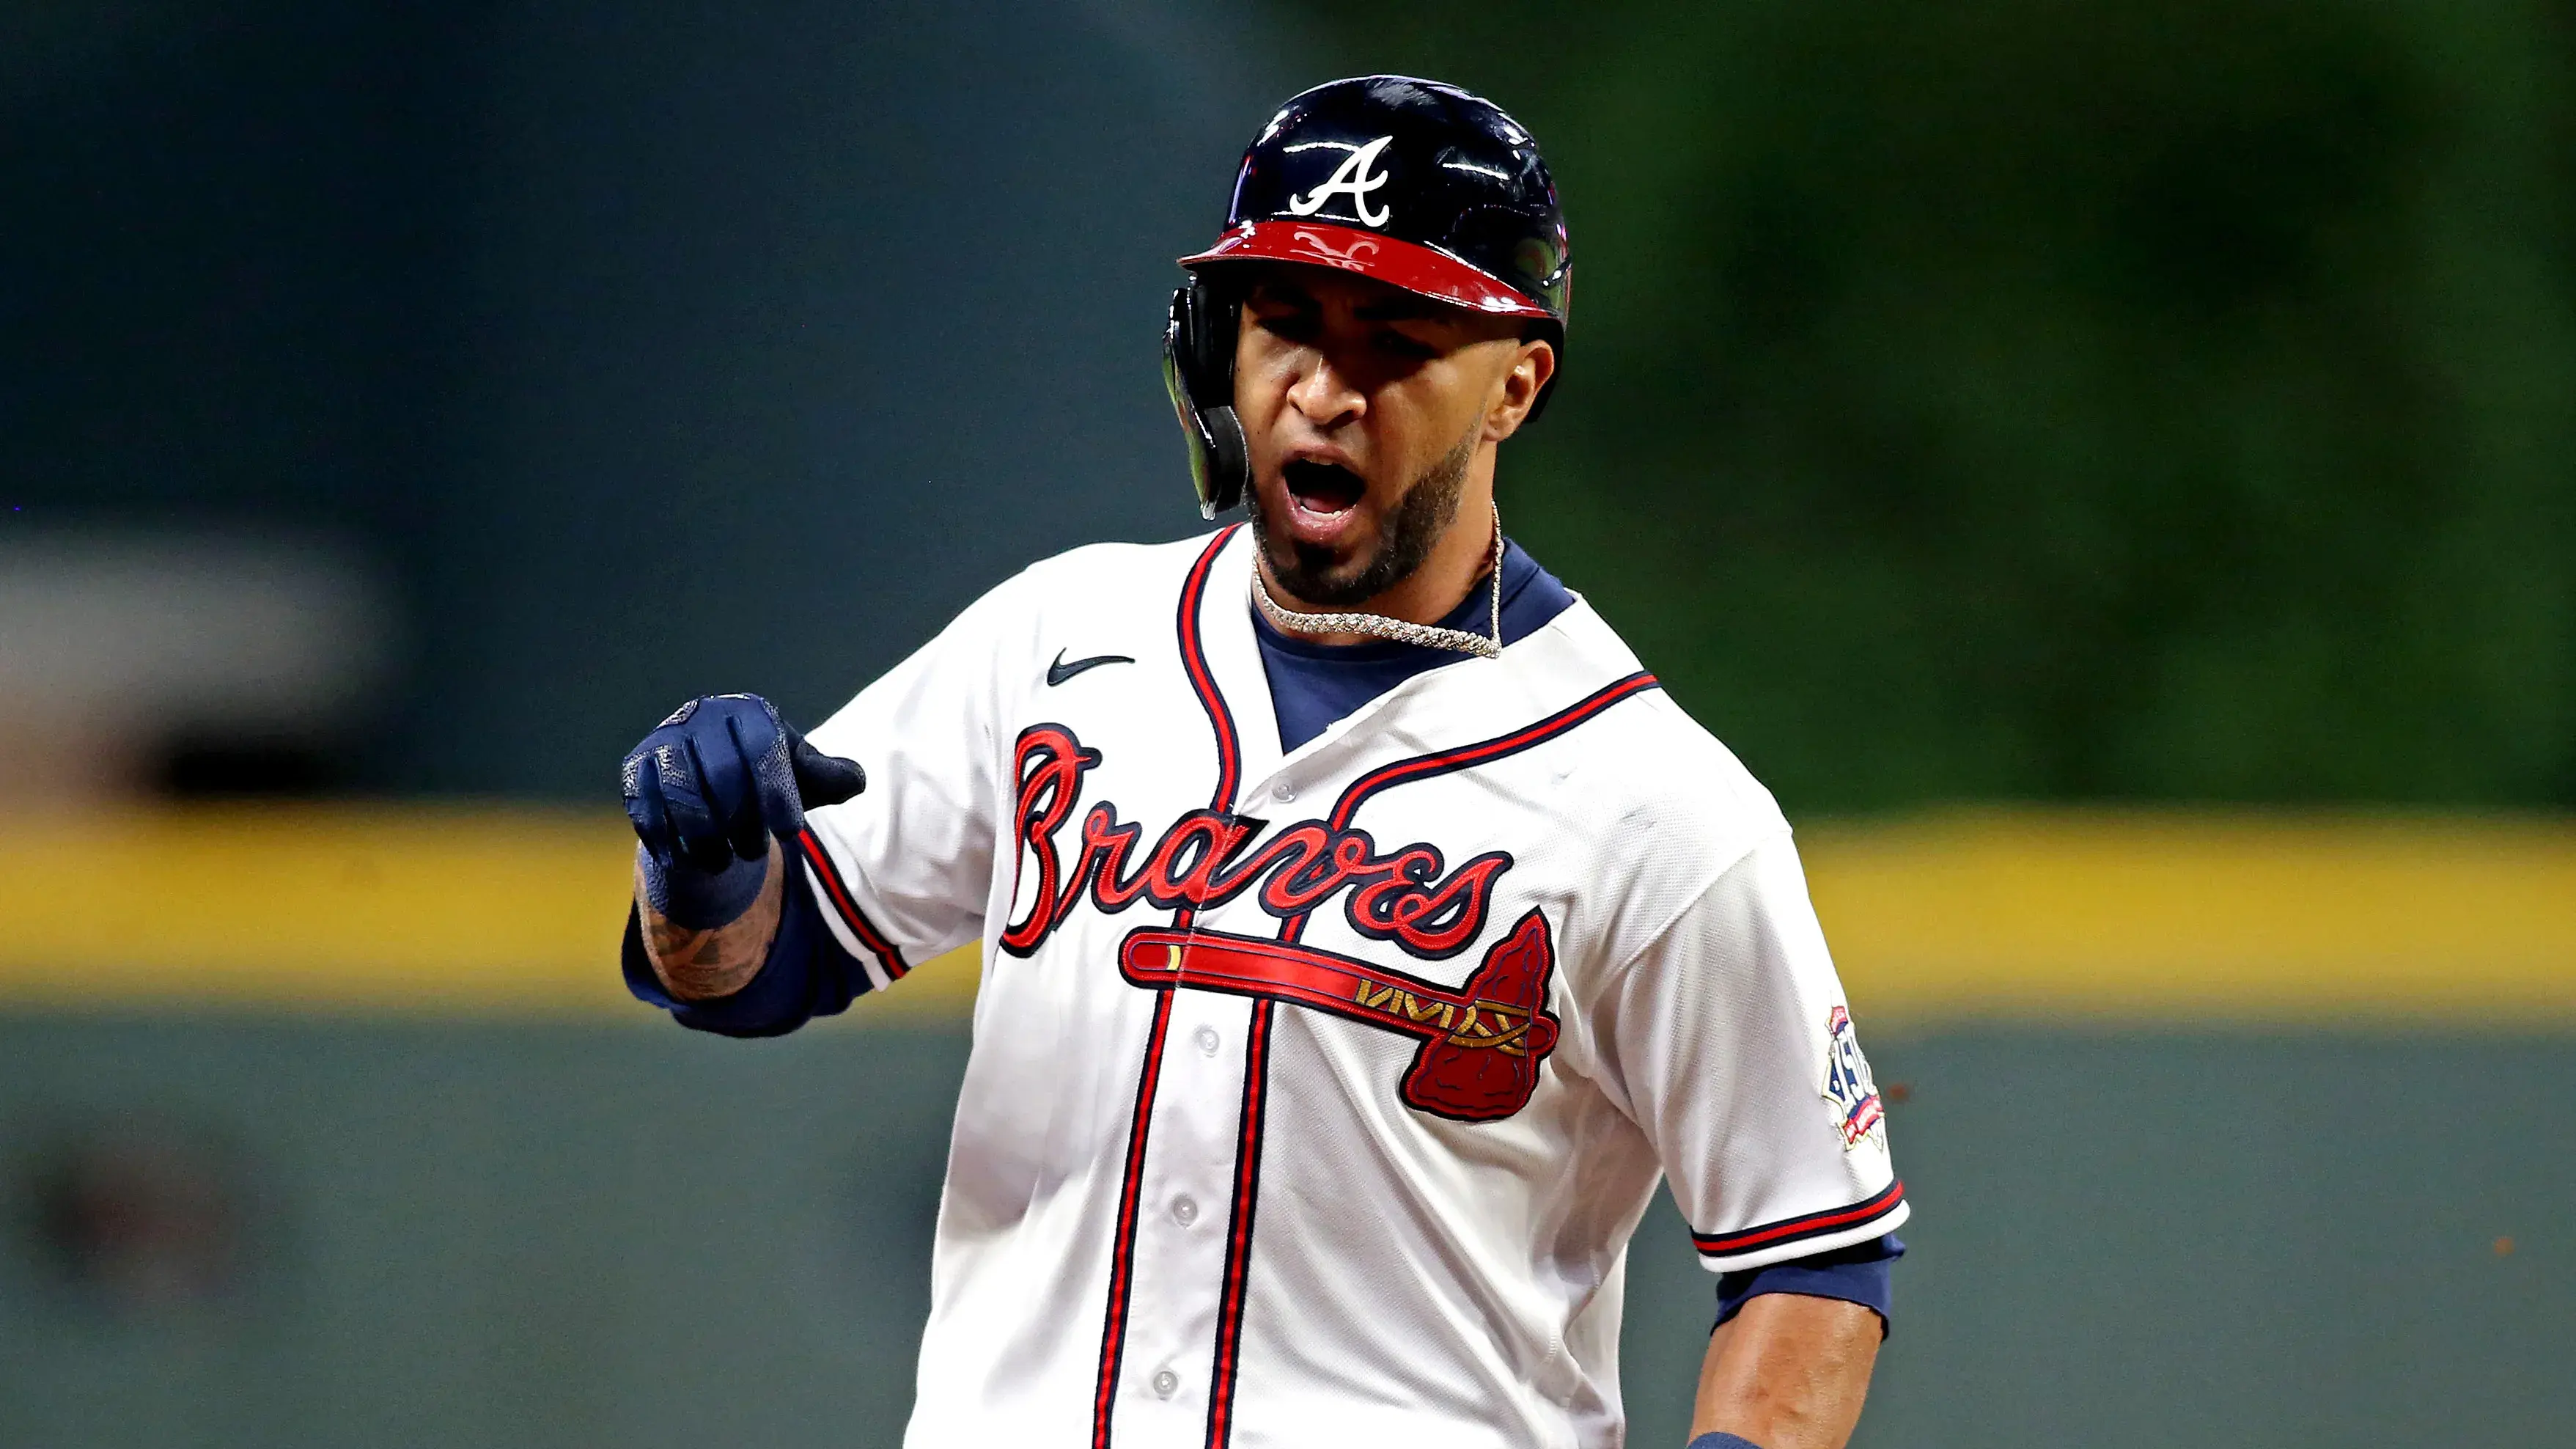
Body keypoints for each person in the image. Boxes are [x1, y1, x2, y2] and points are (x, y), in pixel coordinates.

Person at [619, 75, 1906, 1449]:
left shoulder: (1655, 802)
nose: (1323, 388)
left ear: (1515, 385)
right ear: (1214, 347)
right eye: (1286, 319)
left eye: (1396, 336)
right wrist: (699, 871)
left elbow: (1810, 1250)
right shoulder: (1056, 638)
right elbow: (755, 969)